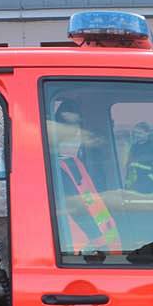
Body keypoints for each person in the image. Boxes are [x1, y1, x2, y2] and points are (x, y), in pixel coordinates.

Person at [52, 99, 122, 253]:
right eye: (68, 125)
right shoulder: (60, 168)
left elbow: (93, 199)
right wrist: (98, 240)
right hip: (84, 249)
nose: (75, 131)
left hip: (98, 245)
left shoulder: (75, 163)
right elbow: (76, 208)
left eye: (77, 125)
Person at [125, 122, 153, 193]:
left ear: (147, 133)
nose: (137, 135)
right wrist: (127, 184)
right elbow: (130, 168)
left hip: (148, 190)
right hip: (133, 189)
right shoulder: (133, 147)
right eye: (136, 133)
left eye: (140, 133)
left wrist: (147, 183)